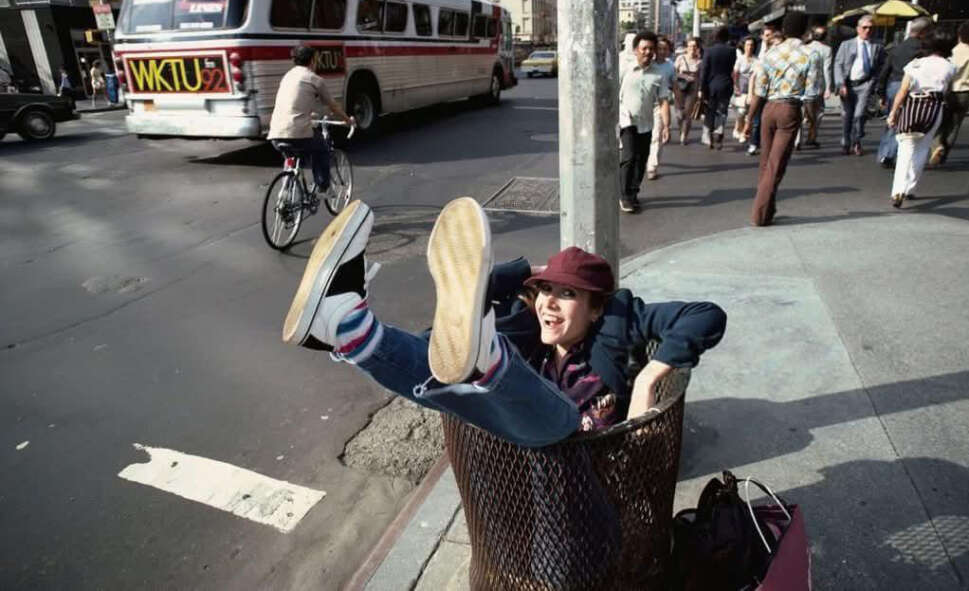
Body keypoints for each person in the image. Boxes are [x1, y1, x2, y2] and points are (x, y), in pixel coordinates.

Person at [281, 197, 727, 446]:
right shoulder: (529, 324)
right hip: (524, 454)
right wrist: (531, 274)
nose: (549, 304)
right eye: (546, 291)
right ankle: (349, 328)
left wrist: (649, 378)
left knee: (554, 418)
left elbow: (705, 315)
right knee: (447, 370)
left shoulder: (615, 321)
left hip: (597, 462)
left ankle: (484, 364)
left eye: (568, 295)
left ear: (595, 308)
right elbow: (477, 291)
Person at [744, 11, 819, 226]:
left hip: (768, 109)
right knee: (776, 165)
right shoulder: (810, 54)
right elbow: (812, 93)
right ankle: (759, 214)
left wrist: (749, 119)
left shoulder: (770, 54)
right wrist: (812, 122)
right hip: (790, 109)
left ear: (783, 30)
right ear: (806, 31)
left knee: (766, 162)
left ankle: (768, 209)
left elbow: (759, 89)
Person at [267, 45, 354, 194]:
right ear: (313, 59)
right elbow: (333, 106)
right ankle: (322, 188)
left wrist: (310, 115)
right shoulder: (314, 79)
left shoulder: (287, 76)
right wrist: (348, 120)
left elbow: (294, 104)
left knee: (291, 157)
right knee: (321, 149)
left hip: (275, 132)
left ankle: (286, 192)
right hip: (298, 133)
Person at [885, 35, 956, 208]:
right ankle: (910, 188)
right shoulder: (950, 66)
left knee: (905, 149)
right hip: (934, 107)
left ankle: (897, 190)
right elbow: (948, 90)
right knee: (923, 148)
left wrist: (893, 112)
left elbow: (903, 91)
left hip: (913, 105)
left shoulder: (915, 64)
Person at [619, 31, 671, 213]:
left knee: (642, 160)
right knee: (629, 157)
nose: (648, 52)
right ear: (636, 50)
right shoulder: (624, 68)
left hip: (647, 122)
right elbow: (612, 94)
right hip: (627, 119)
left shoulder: (659, 74)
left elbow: (664, 100)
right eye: (644, 48)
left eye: (651, 48)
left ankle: (633, 193)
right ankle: (624, 196)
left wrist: (666, 125)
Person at [930, 19, 969, 166]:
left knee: (939, 121)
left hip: (947, 89)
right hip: (966, 92)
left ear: (960, 34)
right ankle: (944, 153)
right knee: (955, 124)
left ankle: (936, 144)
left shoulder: (952, 51)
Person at [876, 16, 934, 166]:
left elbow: (885, 71)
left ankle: (884, 152)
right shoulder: (923, 50)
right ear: (923, 32)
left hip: (893, 85)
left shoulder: (896, 47)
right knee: (904, 122)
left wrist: (881, 92)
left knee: (891, 119)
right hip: (910, 87)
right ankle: (891, 154)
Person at [834, 15, 885, 156]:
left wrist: (874, 82)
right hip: (848, 84)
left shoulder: (877, 46)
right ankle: (846, 141)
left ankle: (856, 141)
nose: (867, 30)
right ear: (858, 29)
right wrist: (840, 83)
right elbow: (838, 64)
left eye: (871, 28)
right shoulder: (846, 45)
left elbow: (881, 65)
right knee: (847, 115)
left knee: (860, 115)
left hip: (865, 84)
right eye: (864, 27)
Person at [699, 26, 737, 150]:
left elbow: (704, 71)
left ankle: (708, 136)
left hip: (711, 86)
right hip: (726, 84)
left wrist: (701, 87)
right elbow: (731, 68)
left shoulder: (709, 51)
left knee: (710, 110)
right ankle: (719, 132)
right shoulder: (732, 51)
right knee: (722, 110)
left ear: (715, 36)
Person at [645, 36, 678, 180]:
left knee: (657, 136)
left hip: (660, 104)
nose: (662, 51)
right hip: (645, 104)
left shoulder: (670, 66)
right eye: (659, 48)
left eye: (665, 49)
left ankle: (652, 166)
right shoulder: (647, 64)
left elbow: (674, 83)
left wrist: (678, 101)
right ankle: (644, 160)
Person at [747, 24, 779, 157]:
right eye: (766, 35)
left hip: (774, 91)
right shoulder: (761, 51)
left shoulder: (778, 51)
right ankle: (754, 143)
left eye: (770, 35)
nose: (768, 38)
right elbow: (755, 74)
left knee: (772, 119)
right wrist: (750, 93)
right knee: (757, 119)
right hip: (760, 90)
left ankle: (768, 144)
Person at [799, 25, 833, 150]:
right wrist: (828, 87)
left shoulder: (802, 48)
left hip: (801, 85)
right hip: (817, 86)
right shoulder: (826, 50)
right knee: (818, 113)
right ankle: (811, 137)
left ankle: (797, 140)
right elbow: (827, 69)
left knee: (801, 112)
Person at [674, 37, 702, 145]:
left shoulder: (700, 61)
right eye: (690, 46)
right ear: (687, 47)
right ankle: (681, 129)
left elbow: (700, 77)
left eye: (694, 46)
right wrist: (685, 76)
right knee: (679, 114)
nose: (692, 48)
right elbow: (674, 73)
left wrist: (700, 90)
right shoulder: (680, 58)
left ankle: (684, 136)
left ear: (697, 48)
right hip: (679, 88)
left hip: (693, 89)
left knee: (687, 113)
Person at [731, 37, 757, 143]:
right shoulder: (740, 59)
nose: (749, 47)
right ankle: (738, 128)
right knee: (741, 112)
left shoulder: (757, 60)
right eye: (747, 44)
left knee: (749, 114)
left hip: (753, 90)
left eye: (751, 45)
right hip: (741, 89)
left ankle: (743, 133)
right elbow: (735, 73)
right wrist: (736, 86)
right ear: (744, 46)